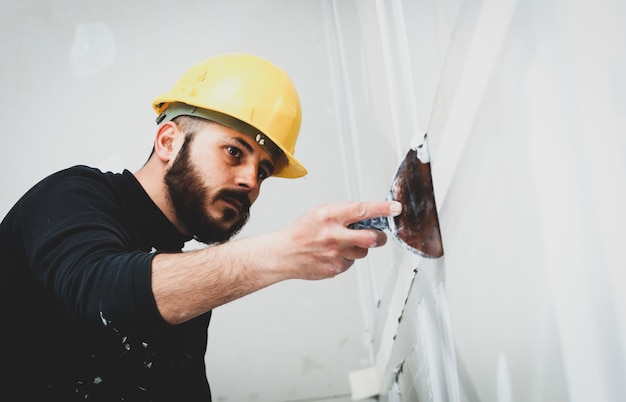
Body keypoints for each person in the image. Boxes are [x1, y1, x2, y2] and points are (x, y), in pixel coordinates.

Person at [0, 53, 401, 401]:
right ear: (169, 141)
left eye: (263, 170)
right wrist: (282, 252)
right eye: (234, 151)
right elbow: (102, 294)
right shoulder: (71, 195)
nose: (251, 182)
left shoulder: (185, 293)